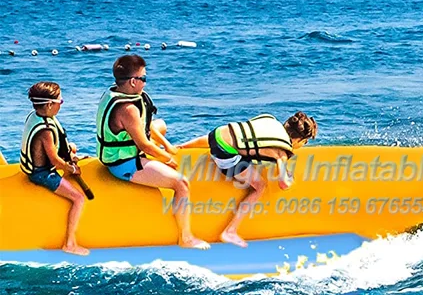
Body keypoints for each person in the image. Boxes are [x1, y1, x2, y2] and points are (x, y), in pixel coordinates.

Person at [96, 54, 208, 249]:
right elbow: (144, 145)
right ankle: (186, 237)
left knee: (161, 125)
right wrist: (168, 158)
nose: (145, 84)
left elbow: (147, 125)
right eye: (143, 78)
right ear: (132, 81)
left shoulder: (115, 92)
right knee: (181, 183)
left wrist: (167, 144)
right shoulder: (127, 109)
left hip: (127, 146)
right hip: (124, 162)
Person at [181, 113, 318, 247]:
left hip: (215, 135)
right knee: (260, 186)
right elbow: (283, 184)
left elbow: (239, 137)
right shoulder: (281, 152)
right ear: (298, 140)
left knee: (233, 138)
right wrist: (290, 178)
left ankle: (180, 147)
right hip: (225, 155)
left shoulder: (269, 121)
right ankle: (230, 231)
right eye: (304, 143)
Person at [20, 81, 89, 255]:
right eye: (60, 101)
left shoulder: (35, 115)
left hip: (38, 163)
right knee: (78, 198)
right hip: (41, 173)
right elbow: (55, 161)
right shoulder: (46, 131)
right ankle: (70, 243)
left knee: (71, 146)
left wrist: (71, 155)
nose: (61, 104)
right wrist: (72, 170)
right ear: (50, 105)